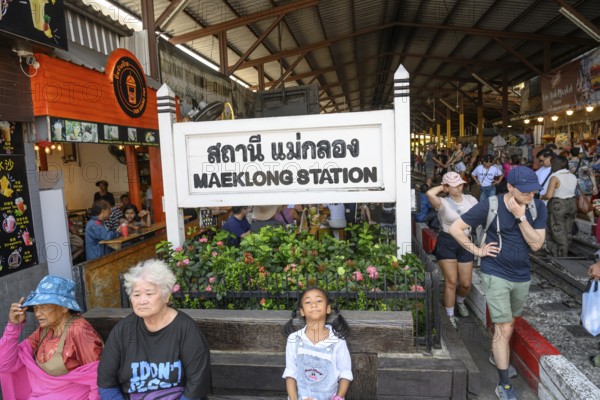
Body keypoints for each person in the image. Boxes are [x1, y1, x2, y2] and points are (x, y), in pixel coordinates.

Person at [449, 166, 547, 400]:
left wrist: (521, 217)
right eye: (525, 191)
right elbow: (455, 228)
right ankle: (503, 384)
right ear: (510, 187)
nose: (530, 195)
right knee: (504, 326)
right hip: (495, 272)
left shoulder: (537, 207)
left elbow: (536, 244)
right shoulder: (491, 204)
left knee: (509, 323)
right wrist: (477, 250)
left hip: (522, 274)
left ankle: (496, 354)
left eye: (534, 190)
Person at [98, 259, 211, 399]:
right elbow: (106, 382)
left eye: (149, 294)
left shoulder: (185, 329)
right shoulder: (123, 330)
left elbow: (197, 382)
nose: (142, 301)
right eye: (136, 294)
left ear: (166, 296)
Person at [0, 275, 104, 399]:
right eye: (36, 308)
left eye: (43, 306)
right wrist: (13, 327)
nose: (38, 313)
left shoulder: (79, 329)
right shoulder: (44, 330)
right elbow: (5, 363)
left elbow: (97, 377)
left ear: (64, 307)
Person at [426, 172, 478, 328]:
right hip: (447, 241)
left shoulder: (471, 200)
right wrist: (444, 187)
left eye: (461, 184)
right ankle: (450, 315)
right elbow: (429, 192)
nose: (459, 187)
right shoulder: (442, 202)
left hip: (465, 242)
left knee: (466, 284)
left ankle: (460, 301)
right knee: (451, 281)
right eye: (455, 185)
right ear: (447, 188)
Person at [282, 287, 353, 400]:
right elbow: (290, 374)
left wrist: (338, 397)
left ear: (328, 308)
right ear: (302, 311)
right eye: (308, 302)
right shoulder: (294, 339)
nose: (314, 304)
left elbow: (345, 374)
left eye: (319, 301)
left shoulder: (337, 340)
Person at [541, 156, 577, 257]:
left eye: (553, 163)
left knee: (557, 228)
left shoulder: (555, 177)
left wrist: (540, 196)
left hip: (558, 205)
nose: (552, 165)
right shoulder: (572, 176)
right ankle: (566, 247)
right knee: (568, 227)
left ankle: (561, 253)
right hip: (572, 203)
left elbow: (549, 195)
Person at [569, 147, 598, 223]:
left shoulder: (568, 163)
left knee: (573, 205)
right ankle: (592, 222)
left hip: (574, 187)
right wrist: (594, 186)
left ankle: (573, 222)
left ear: (570, 154)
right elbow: (591, 174)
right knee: (587, 204)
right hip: (587, 186)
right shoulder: (585, 162)